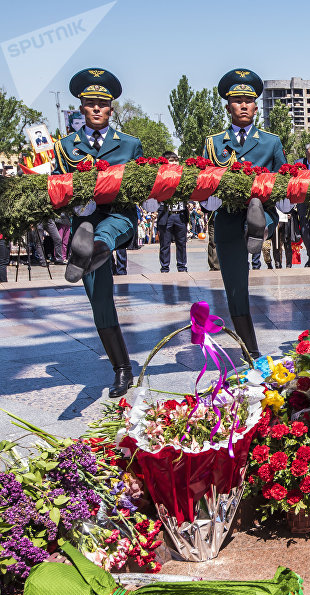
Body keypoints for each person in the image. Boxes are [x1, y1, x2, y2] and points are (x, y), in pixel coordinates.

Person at [51, 68, 142, 397]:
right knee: (99, 302)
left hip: (118, 218)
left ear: (111, 108)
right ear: (81, 107)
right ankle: (122, 369)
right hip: (82, 224)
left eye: (102, 104)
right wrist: (77, 208)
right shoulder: (65, 148)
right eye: (90, 103)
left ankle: (88, 249)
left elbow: (142, 185)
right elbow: (58, 192)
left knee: (105, 230)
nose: (96, 109)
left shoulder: (130, 145)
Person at [201, 68, 286, 358]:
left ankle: (257, 221)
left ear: (256, 106)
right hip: (227, 219)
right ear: (228, 106)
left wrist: (284, 201)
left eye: (248, 100)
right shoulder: (214, 143)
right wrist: (206, 201)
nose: (243, 105)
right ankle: (251, 351)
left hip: (264, 213)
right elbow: (204, 182)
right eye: (237, 100)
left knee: (259, 208)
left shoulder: (271, 142)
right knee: (235, 290)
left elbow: (283, 181)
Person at [156, 152, 188, 273]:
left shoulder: (184, 175)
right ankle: (164, 267)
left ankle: (182, 267)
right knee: (165, 244)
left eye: (176, 160)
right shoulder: (159, 176)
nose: (174, 163)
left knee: (182, 243)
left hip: (180, 214)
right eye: (171, 160)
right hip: (166, 215)